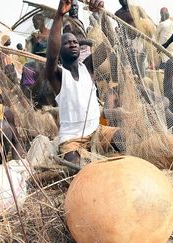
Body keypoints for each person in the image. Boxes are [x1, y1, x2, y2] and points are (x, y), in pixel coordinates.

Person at [47, 0, 126, 164]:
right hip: (72, 140)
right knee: (75, 166)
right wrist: (60, 14)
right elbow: (52, 54)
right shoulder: (57, 75)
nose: (73, 43)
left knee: (124, 138)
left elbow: (110, 42)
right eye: (67, 42)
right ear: (60, 50)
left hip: (97, 132)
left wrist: (101, 14)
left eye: (75, 41)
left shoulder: (88, 69)